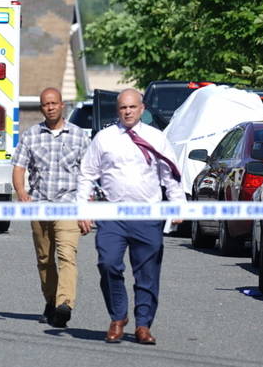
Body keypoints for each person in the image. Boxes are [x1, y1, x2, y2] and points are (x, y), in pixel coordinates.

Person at [77, 88, 184, 345]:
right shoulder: (104, 138)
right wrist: (83, 209)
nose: (127, 111)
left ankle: (143, 325)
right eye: (123, 108)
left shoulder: (156, 138)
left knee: (147, 273)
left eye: (132, 107)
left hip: (148, 215)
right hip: (113, 214)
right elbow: (86, 174)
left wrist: (178, 204)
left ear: (142, 109)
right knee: (108, 263)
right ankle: (118, 317)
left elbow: (169, 174)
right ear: (118, 110)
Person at [12, 87, 90, 328]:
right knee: (45, 259)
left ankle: (64, 304)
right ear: (41, 108)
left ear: (62, 105)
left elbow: (88, 174)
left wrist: (87, 210)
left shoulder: (79, 136)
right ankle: (50, 300)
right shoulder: (31, 135)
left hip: (69, 205)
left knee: (66, 255)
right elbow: (18, 167)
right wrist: (22, 194)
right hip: (40, 205)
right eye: (46, 104)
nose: (51, 107)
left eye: (54, 103)